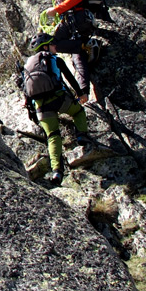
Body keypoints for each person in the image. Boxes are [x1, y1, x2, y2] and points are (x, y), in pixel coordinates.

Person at [20, 31, 93, 185]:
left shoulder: (27, 65)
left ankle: (57, 172)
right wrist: (81, 94)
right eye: (52, 44)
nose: (55, 47)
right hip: (58, 98)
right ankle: (82, 136)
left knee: (53, 136)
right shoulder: (53, 59)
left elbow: (25, 89)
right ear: (45, 46)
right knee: (79, 111)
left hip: (40, 105)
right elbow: (69, 77)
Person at [31, 0, 93, 100]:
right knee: (77, 53)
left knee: (52, 43)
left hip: (79, 17)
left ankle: (84, 45)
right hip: (73, 20)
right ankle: (83, 92)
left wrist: (57, 10)